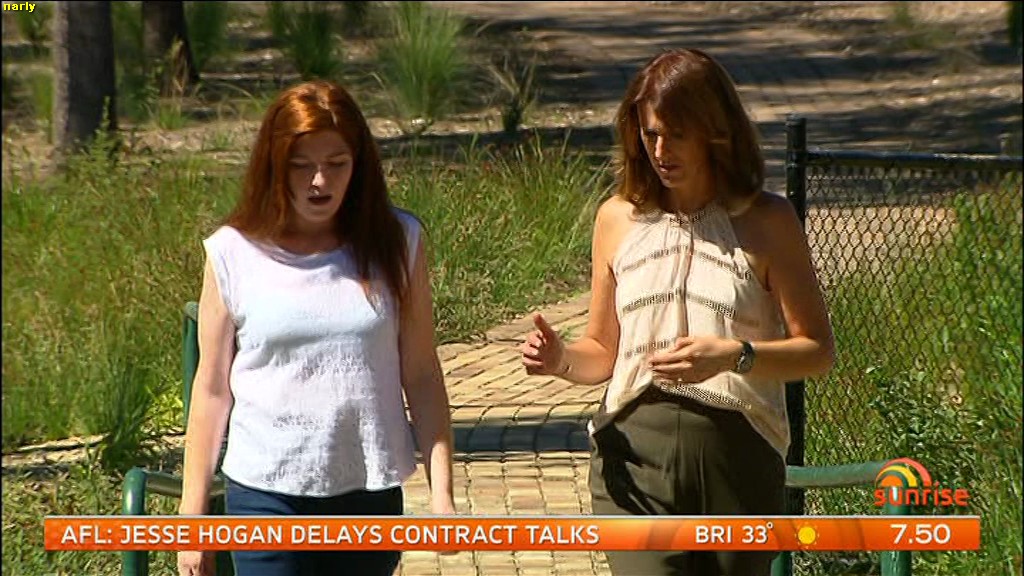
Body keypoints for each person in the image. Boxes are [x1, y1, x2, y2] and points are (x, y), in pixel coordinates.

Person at [520, 48, 835, 575]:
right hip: (633, 455)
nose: (661, 151)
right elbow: (602, 352)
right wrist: (560, 361)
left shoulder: (768, 220)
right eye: (649, 134)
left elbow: (817, 351)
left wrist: (735, 356)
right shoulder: (616, 218)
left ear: (716, 132)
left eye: (677, 135)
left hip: (739, 456)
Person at [177, 80, 456, 576]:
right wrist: (191, 519)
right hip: (265, 493)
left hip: (367, 493)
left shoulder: (398, 242)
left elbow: (421, 374)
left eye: (336, 164)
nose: (319, 182)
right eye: (301, 165)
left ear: (359, 166)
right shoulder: (232, 252)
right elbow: (212, 389)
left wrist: (443, 499)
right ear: (274, 165)